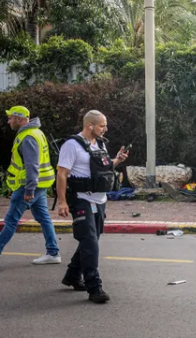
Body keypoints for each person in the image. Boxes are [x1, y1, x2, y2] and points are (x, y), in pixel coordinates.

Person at [56, 110, 128, 303]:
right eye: (102, 125)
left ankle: (72, 275)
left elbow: (102, 168)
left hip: (100, 200)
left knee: (92, 239)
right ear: (90, 126)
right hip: (81, 199)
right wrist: (62, 202)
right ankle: (94, 288)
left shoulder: (101, 144)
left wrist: (117, 161)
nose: (105, 129)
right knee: (90, 242)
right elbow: (62, 174)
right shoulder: (72, 145)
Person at [0, 106, 60, 264]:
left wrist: (29, 190)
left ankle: (53, 253)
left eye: (10, 118)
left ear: (19, 119)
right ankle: (53, 253)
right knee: (44, 217)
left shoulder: (28, 137)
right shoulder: (36, 132)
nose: (8, 121)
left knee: (11, 220)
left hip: (29, 186)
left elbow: (32, 166)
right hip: (40, 184)